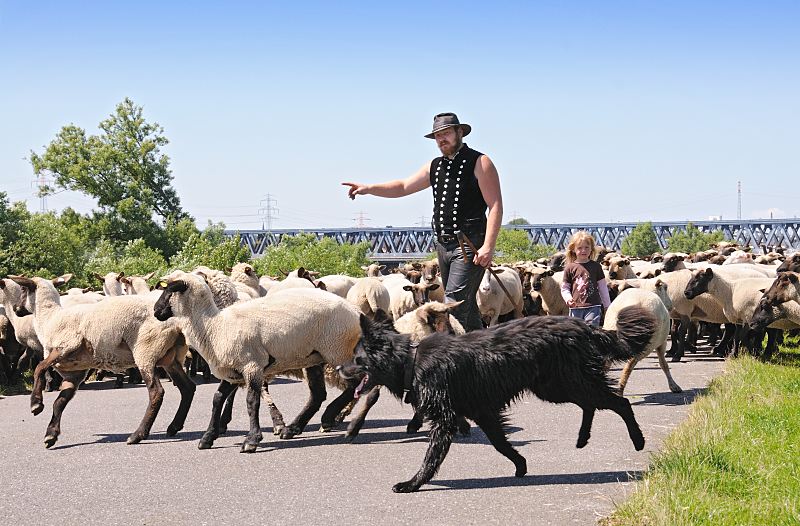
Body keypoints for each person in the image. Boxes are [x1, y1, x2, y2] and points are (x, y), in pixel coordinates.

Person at [342, 112, 503, 331]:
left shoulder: (480, 162)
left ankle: (452, 358)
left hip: (469, 245)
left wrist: (488, 247)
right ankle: (485, 356)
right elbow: (403, 186)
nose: (441, 139)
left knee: (452, 304)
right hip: (443, 245)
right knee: (465, 305)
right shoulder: (434, 166)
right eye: (437, 136)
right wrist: (369, 189)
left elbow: (495, 205)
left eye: (446, 133)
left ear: (459, 133)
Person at [560, 231, 611, 327]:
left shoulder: (596, 267)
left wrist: (607, 305)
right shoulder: (570, 267)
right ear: (573, 249)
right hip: (575, 307)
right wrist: (568, 299)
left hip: (593, 306)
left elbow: (602, 287)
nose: (583, 250)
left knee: (591, 330)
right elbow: (565, 288)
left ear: (591, 249)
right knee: (577, 332)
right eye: (579, 248)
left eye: (587, 247)